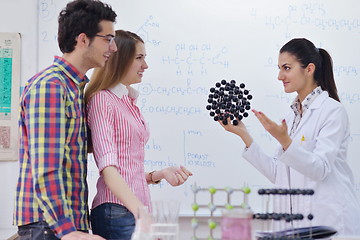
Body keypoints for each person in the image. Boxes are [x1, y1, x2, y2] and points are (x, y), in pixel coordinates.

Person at [220, 38, 360, 235]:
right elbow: (279, 174)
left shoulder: (332, 111)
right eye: (279, 68)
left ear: (309, 69)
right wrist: (244, 134)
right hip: (297, 225)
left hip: (330, 220)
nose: (279, 76)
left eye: (286, 68)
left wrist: (285, 141)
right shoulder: (291, 116)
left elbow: (320, 169)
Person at [14, 1, 117, 239]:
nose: (113, 48)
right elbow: (47, 167)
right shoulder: (51, 86)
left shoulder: (74, 88)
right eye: (108, 38)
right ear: (83, 39)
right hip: (50, 226)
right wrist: (68, 231)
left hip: (62, 224)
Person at [85, 30, 193, 240]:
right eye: (139, 58)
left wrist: (157, 175)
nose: (145, 65)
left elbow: (127, 171)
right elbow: (108, 169)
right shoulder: (101, 100)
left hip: (130, 210)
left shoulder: (127, 101)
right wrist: (141, 214)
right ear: (119, 60)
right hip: (116, 211)